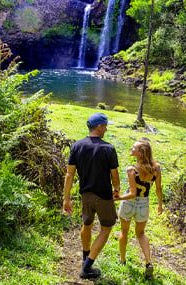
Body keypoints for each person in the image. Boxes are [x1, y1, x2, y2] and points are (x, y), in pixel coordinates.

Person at [62, 112, 120, 279]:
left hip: (85, 194)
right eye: (105, 126)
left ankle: (85, 257)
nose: (106, 129)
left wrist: (66, 198)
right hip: (103, 196)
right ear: (99, 127)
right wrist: (116, 188)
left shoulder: (77, 146)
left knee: (87, 224)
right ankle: (87, 267)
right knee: (106, 228)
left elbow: (69, 175)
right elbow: (114, 175)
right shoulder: (108, 148)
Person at [115, 139, 163, 280]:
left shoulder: (132, 169)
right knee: (141, 234)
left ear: (140, 153)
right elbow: (158, 189)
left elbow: (132, 193)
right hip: (144, 204)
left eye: (134, 147)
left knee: (124, 231)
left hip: (129, 204)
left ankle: (122, 260)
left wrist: (115, 199)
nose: (131, 148)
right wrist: (160, 204)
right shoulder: (156, 168)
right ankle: (148, 262)